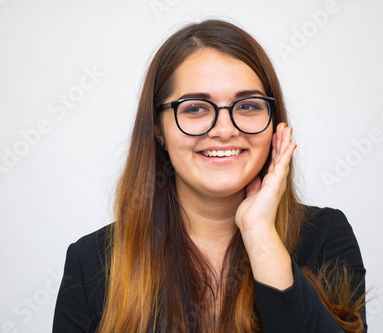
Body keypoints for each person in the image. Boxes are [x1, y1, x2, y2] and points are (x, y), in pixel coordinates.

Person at [52, 19, 366, 333]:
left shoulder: (326, 237)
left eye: (246, 105)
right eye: (196, 108)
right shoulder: (90, 262)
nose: (225, 130)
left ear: (274, 122)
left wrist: (260, 235)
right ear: (158, 128)